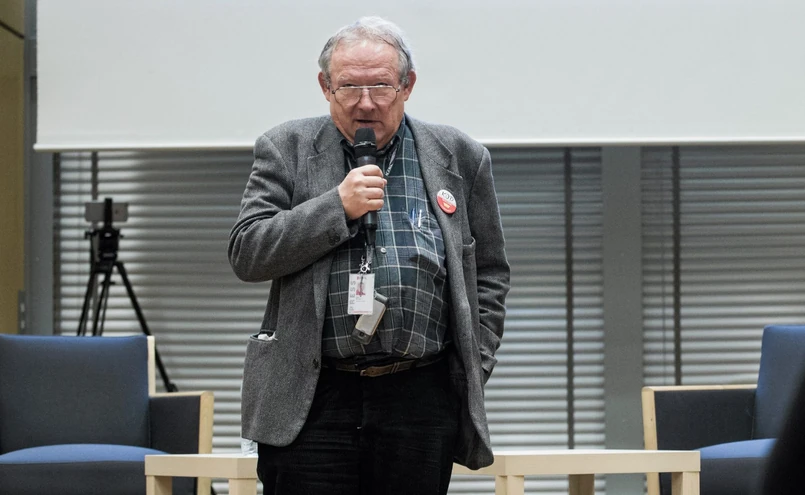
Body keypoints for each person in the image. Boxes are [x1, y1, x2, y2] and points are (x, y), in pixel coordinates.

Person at [228, 16, 510, 495]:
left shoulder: (460, 156)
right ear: (325, 87)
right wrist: (336, 207)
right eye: (348, 87)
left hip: (419, 394)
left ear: (407, 85)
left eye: (380, 86)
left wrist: (470, 365)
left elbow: (490, 274)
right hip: (312, 394)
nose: (365, 103)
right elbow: (247, 251)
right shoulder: (286, 148)